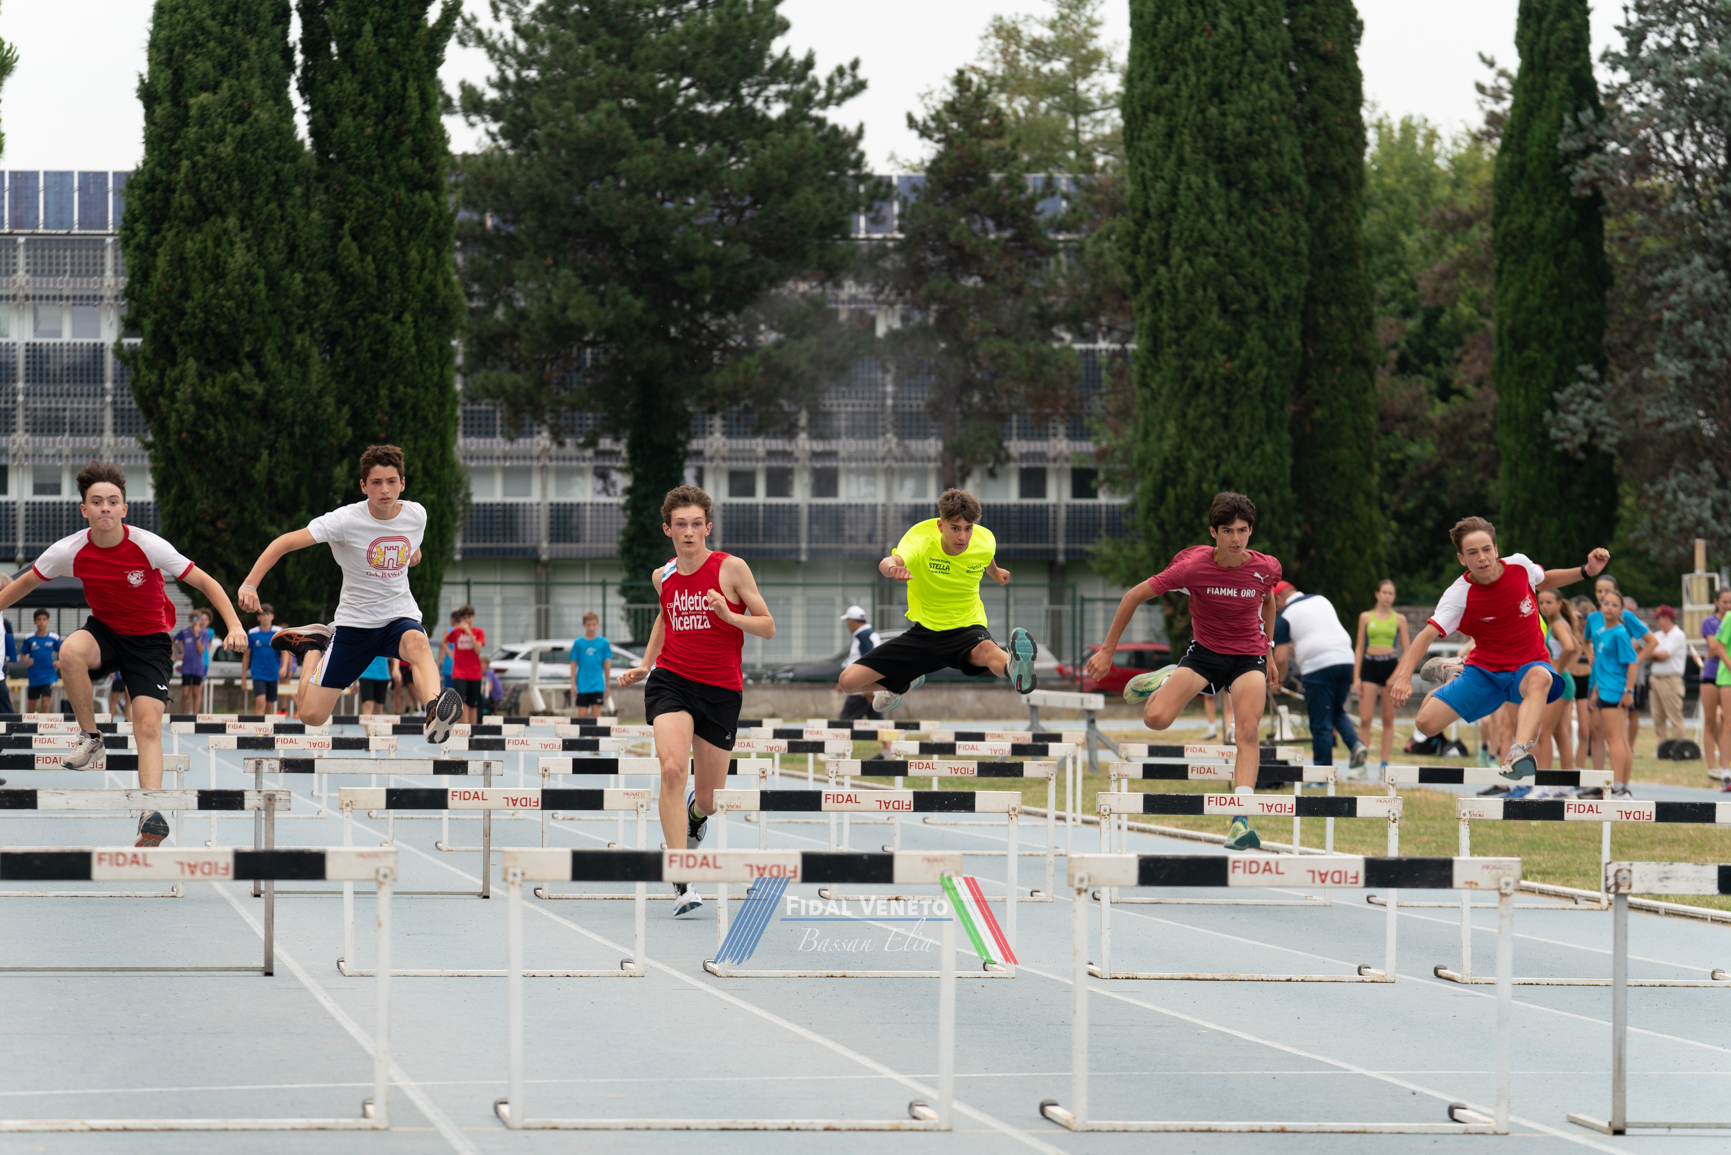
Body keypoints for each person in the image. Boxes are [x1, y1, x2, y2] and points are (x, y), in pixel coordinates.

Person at [0, 461, 246, 846]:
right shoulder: (68, 550)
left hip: (149, 642)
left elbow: (204, 581)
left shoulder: (149, 546)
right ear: (84, 509)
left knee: (146, 724)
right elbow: (23, 583)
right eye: (97, 502)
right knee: (70, 651)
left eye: (113, 502)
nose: (105, 508)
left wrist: (234, 625)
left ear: (124, 509)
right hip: (105, 632)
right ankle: (91, 737)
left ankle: (150, 812)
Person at [1086, 492, 1282, 851]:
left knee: (1248, 732)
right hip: (1205, 655)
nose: (1235, 539)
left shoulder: (1266, 567)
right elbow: (1133, 596)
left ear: (1251, 531)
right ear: (1213, 532)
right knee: (1156, 719)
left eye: (1242, 531)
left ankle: (1240, 822)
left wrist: (1268, 650)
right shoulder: (1192, 568)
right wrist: (1108, 650)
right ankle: (1168, 677)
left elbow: (1268, 600)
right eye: (1227, 531)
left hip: (1247, 657)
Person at [617, 485, 775, 918]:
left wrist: (729, 615)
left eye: (696, 524)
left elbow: (767, 626)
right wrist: (646, 664)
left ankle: (693, 817)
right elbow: (664, 617)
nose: (689, 532)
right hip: (671, 681)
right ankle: (681, 875)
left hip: (721, 690)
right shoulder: (662, 575)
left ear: (708, 527)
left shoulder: (731, 569)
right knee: (671, 768)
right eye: (680, 524)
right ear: (668, 529)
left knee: (708, 799)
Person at [236, 444, 463, 739]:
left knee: (419, 643)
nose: (385, 490)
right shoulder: (344, 520)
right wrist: (250, 583)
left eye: (391, 481)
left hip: (398, 617)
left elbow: (410, 541)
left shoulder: (417, 515)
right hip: (355, 625)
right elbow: (285, 542)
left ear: (403, 484)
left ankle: (435, 710)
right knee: (312, 715)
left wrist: (413, 551)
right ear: (363, 486)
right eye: (376, 482)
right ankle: (312, 647)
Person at [1387, 516, 1609, 781]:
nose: (1481, 558)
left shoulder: (1520, 565)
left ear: (1496, 549)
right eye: (1472, 553)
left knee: (1542, 678)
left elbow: (1544, 580)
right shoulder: (1458, 595)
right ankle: (1455, 673)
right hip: (1485, 672)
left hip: (1528, 666)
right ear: (1461, 559)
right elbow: (1425, 636)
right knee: (1426, 725)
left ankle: (1517, 753)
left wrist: (1586, 571)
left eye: (1486, 550)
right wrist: (1403, 678)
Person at [835, 489, 1038, 714]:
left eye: (968, 529)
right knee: (848, 682)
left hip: (966, 628)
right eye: (955, 528)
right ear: (941, 526)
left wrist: (996, 572)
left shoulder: (984, 540)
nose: (963, 537)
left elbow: (986, 557)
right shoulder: (921, 541)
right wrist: (893, 569)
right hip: (924, 634)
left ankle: (1014, 667)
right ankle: (902, 683)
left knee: (987, 651)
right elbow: (888, 561)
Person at [1273, 582, 1370, 777]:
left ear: (1279, 599)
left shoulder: (1284, 616)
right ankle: (1355, 743)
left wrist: (1278, 681)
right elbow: (1318, 633)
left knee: (1320, 722)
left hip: (1318, 667)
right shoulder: (1320, 599)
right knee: (1335, 710)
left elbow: (1281, 658)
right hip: (1345, 660)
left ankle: (1321, 776)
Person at [1590, 590, 1652, 797]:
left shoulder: (1620, 633)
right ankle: (1622, 787)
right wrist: (1595, 691)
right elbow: (1602, 666)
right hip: (1605, 689)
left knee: (1615, 739)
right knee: (1621, 739)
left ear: (1621, 610)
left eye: (1614, 605)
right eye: (1606, 603)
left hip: (1615, 690)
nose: (1609, 608)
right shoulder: (1602, 632)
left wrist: (1628, 691)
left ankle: (1617, 786)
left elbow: (1632, 662)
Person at [1354, 579, 1410, 774]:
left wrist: (1396, 675)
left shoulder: (1399, 619)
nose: (1387, 596)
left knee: (1388, 718)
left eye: (1391, 593)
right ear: (1377, 594)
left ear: (1394, 596)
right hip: (1369, 665)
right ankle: (1361, 764)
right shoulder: (1365, 617)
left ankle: (1384, 764)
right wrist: (1356, 677)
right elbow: (1359, 647)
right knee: (1365, 719)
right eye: (1384, 592)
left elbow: (1408, 650)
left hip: (1390, 666)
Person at [1535, 589, 1580, 770]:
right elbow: (1577, 648)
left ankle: (1543, 779)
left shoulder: (1559, 624)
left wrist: (1559, 672)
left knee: (1544, 733)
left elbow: (1569, 647)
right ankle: (1567, 780)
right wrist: (1565, 669)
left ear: (1559, 604)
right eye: (1541, 602)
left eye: (1549, 602)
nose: (1544, 606)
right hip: (1562, 681)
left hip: (1559, 682)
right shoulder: (1556, 624)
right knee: (1560, 733)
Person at [1646, 605, 1688, 749]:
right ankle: (1662, 747)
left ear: (1667, 618)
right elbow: (1650, 655)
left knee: (1674, 716)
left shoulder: (1677, 634)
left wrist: (1649, 654)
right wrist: (1652, 655)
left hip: (1670, 679)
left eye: (1658, 618)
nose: (1656, 621)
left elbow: (1663, 655)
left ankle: (1680, 747)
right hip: (1655, 678)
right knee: (1657, 717)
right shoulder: (1658, 635)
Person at [1701, 587, 1731, 785]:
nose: (1728, 605)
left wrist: (1716, 650)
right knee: (1710, 720)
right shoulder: (1710, 622)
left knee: (1725, 720)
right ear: (1717, 602)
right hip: (1712, 673)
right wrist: (1717, 651)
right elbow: (1714, 647)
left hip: (1723, 673)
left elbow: (1716, 648)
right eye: (1725, 601)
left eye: (1730, 602)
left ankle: (1724, 765)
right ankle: (1713, 767)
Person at [836, 605, 882, 722]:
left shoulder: (863, 636)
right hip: (866, 689)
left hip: (861, 691)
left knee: (844, 724)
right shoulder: (868, 634)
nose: (847, 626)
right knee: (877, 724)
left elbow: (870, 663)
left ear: (851, 621)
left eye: (847, 622)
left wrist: (868, 689)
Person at [445, 604, 487, 725]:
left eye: (469, 617)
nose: (466, 620)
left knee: (473, 704)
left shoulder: (479, 632)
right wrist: (450, 653)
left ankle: (472, 730)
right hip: (459, 672)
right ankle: (462, 728)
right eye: (464, 618)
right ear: (460, 619)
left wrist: (469, 633)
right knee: (460, 701)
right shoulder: (456, 632)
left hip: (474, 673)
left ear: (473, 617)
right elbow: (444, 642)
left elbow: (478, 650)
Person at [1569, 595, 1598, 768]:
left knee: (1584, 731)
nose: (1583, 621)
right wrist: (1571, 617)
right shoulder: (1570, 629)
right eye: (1581, 616)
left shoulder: (1594, 633)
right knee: (1564, 729)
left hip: (1586, 680)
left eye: (1587, 617)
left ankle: (1579, 769)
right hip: (1569, 677)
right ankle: (1566, 768)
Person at [243, 604, 288, 715]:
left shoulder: (278, 632)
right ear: (258, 617)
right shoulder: (252, 633)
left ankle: (268, 727)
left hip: (273, 672)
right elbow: (246, 656)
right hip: (258, 672)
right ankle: (258, 726)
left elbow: (284, 651)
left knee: (269, 705)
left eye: (268, 614)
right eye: (262, 615)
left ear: (272, 616)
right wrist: (243, 677)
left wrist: (284, 667)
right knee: (260, 701)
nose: (265, 617)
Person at [568, 611, 612, 719]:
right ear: (584, 625)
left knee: (596, 714)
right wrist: (573, 684)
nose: (591, 628)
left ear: (597, 624)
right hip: (582, 684)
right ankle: (581, 732)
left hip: (597, 683)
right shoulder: (578, 643)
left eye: (593, 624)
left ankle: (595, 732)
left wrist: (607, 685)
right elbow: (573, 663)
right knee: (582, 714)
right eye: (589, 625)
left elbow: (607, 664)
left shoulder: (603, 642)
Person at [19, 608, 61, 714]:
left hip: (48, 675)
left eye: (44, 619)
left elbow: (63, 652)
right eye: (39, 619)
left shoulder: (54, 638)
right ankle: (30, 724)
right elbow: (22, 655)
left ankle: (43, 725)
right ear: (35, 622)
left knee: (45, 704)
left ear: (48, 621)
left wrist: (59, 662)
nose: (42, 622)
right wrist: (26, 660)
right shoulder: (29, 638)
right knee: (31, 706)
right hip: (34, 675)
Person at [1710, 601, 1731, 792]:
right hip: (1728, 678)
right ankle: (1726, 773)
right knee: (1728, 724)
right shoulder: (1730, 617)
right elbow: (1719, 647)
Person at [171, 609, 207, 714]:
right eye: (193, 619)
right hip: (187, 666)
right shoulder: (184, 632)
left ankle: (195, 715)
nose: (196, 621)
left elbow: (200, 650)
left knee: (196, 693)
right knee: (185, 693)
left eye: (198, 619)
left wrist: (196, 635)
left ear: (200, 620)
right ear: (190, 620)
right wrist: (177, 654)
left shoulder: (203, 633)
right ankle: (182, 714)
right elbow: (173, 640)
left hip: (198, 667)